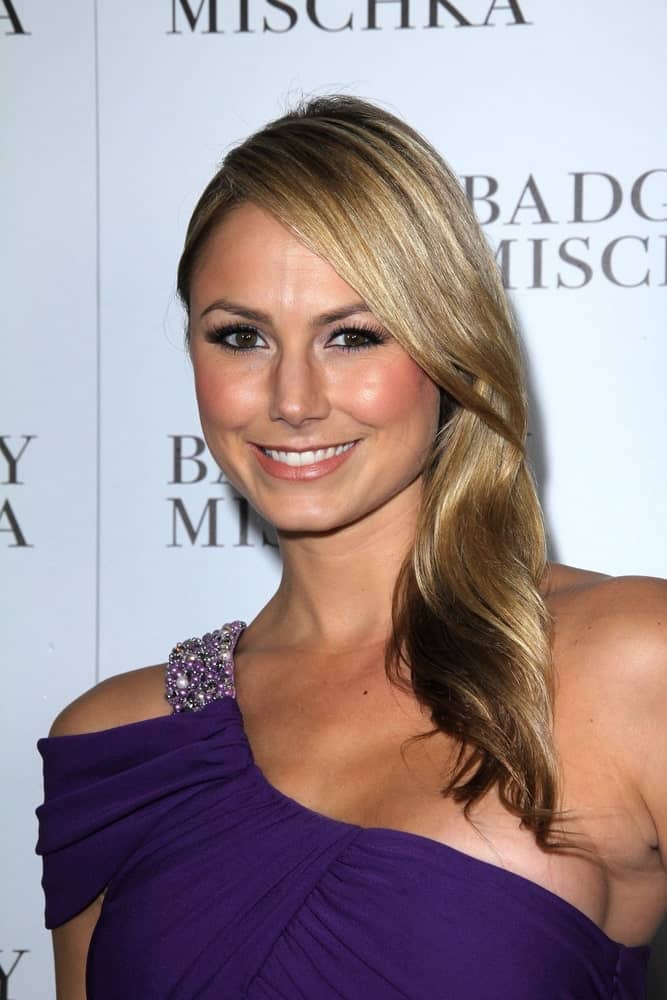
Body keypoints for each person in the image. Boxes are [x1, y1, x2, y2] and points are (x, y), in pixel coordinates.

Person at [36, 95, 666, 999]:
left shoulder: (632, 658)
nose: (292, 397)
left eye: (352, 336)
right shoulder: (120, 743)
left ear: (449, 348)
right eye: (240, 336)